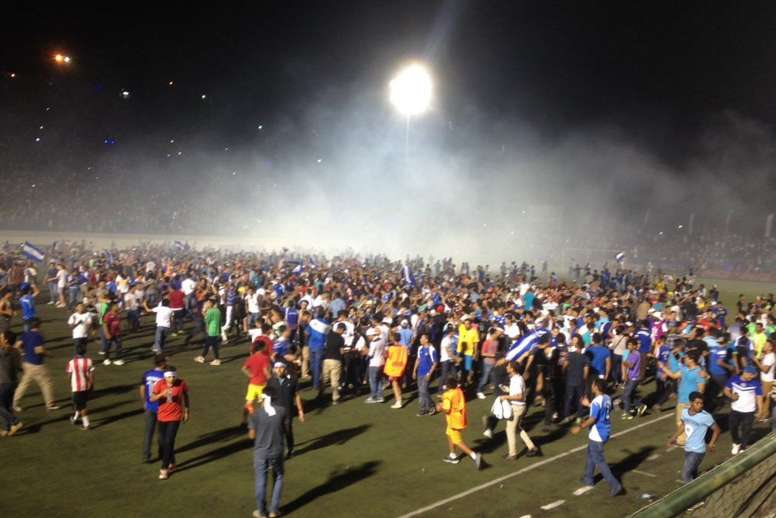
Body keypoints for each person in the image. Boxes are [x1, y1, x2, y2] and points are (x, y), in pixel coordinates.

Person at [571, 378, 623, 496]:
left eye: (593, 384)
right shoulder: (607, 398)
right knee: (590, 454)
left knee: (599, 461)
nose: (591, 386)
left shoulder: (596, 402)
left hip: (597, 434)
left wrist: (580, 427)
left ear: (597, 387)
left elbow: (593, 419)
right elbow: (602, 410)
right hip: (605, 431)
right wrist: (588, 404)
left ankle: (615, 485)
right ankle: (588, 478)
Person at [248, 381, 287, 518]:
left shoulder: (256, 414)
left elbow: (252, 435)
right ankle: (273, 510)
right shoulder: (282, 411)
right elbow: (284, 429)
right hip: (277, 450)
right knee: (279, 476)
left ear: (263, 398)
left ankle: (261, 511)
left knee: (261, 481)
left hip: (260, 452)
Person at [668, 391, 720, 483]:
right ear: (691, 402)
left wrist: (712, 443)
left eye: (701, 403)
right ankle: (697, 485)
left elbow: (717, 430)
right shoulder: (684, 412)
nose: (700, 405)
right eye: (697, 403)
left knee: (685, 474)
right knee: (693, 471)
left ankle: (692, 494)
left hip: (698, 450)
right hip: (688, 447)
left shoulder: (706, 416)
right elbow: (683, 425)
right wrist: (674, 437)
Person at [150, 368, 190, 480]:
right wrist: (162, 394)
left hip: (175, 416)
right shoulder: (159, 384)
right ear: (165, 377)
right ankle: (173, 462)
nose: (171, 379)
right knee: (163, 442)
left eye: (173, 377)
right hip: (162, 416)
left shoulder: (181, 383)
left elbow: (186, 396)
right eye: (169, 377)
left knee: (169, 440)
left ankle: (164, 468)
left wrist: (186, 411)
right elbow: (152, 398)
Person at [436, 374, 482, 469]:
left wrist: (440, 407)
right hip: (460, 418)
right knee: (449, 434)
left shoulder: (447, 395)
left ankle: (474, 456)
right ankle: (453, 455)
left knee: (457, 441)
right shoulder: (459, 391)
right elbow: (453, 399)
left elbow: (447, 409)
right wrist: (442, 398)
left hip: (454, 421)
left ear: (448, 386)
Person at [12, 318, 59, 411]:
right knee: (46, 383)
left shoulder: (25, 334)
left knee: (23, 384)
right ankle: (50, 404)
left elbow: (17, 345)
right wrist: (49, 354)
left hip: (26, 363)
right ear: (38, 325)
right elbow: (39, 350)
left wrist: (22, 352)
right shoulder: (38, 336)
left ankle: (14, 403)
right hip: (37, 365)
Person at [501, 361, 540, 459]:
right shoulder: (517, 378)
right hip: (520, 407)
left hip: (517, 407)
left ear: (512, 369)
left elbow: (519, 396)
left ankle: (512, 453)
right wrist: (507, 390)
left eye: (508, 367)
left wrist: (506, 397)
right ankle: (532, 447)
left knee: (510, 429)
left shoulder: (516, 380)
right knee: (518, 428)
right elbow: (517, 392)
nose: (506, 368)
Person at [724, 366, 763, 454]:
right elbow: (726, 390)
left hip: (749, 411)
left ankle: (743, 447)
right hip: (735, 409)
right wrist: (731, 396)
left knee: (746, 429)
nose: (752, 377)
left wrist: (760, 410)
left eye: (753, 375)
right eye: (751, 375)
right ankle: (736, 442)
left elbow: (759, 397)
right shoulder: (733, 379)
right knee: (733, 427)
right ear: (745, 373)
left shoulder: (756, 383)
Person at [269, 361, 304, 458]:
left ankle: (290, 448)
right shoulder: (271, 381)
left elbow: (297, 396)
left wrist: (300, 411)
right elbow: (267, 397)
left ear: (285, 369)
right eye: (276, 368)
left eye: (281, 368)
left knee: (287, 431)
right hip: (275, 411)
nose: (278, 370)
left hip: (287, 411)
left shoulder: (292, 381)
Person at [140, 354, 167, 463]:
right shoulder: (165, 376)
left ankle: (146, 456)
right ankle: (162, 453)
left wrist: (145, 402)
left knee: (148, 433)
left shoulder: (147, 374)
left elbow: (142, 389)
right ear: (162, 363)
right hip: (161, 408)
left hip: (150, 407)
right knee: (161, 433)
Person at [66, 345, 95, 431]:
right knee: (80, 404)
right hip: (86, 386)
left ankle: (87, 424)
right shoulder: (89, 361)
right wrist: (91, 384)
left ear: (76, 352)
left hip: (76, 387)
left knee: (81, 406)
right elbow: (92, 373)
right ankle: (74, 419)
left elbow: (69, 375)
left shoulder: (71, 362)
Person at [0, 330, 23, 436]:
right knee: (6, 405)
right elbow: (19, 367)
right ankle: (6, 428)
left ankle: (15, 422)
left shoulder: (3, 351)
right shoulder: (15, 351)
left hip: (4, 382)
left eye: (1, 337)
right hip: (13, 381)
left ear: (6, 340)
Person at [243, 339, 272, 414]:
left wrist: (251, 375)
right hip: (262, 384)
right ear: (262, 348)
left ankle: (247, 416)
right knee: (265, 401)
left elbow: (244, 368)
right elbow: (265, 370)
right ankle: (262, 416)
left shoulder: (251, 357)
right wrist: (270, 379)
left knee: (249, 401)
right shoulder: (265, 358)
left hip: (252, 383)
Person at [621, 338, 647, 419]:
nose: (629, 346)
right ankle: (640, 405)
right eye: (628, 345)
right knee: (630, 394)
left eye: (630, 345)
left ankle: (627, 412)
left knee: (626, 395)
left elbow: (630, 365)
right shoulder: (631, 354)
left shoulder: (635, 355)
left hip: (634, 378)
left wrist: (624, 362)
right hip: (631, 377)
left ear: (635, 346)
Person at [320, 322, 345, 405]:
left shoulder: (329, 335)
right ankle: (335, 398)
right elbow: (341, 352)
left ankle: (321, 393)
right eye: (343, 330)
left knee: (324, 378)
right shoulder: (341, 339)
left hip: (326, 359)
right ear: (341, 329)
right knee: (335, 380)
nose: (343, 332)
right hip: (336, 360)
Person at [413, 333, 438, 416]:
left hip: (427, 373)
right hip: (420, 373)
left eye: (422, 338)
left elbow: (435, 363)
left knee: (423, 390)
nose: (420, 339)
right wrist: (414, 370)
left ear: (426, 340)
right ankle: (424, 408)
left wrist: (429, 374)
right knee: (421, 392)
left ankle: (430, 407)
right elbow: (418, 359)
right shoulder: (420, 348)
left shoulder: (431, 349)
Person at [384, 332, 409, 409]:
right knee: (399, 384)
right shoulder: (404, 347)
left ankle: (398, 401)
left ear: (393, 339)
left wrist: (386, 351)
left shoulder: (391, 348)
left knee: (395, 385)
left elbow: (387, 356)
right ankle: (399, 399)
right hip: (401, 368)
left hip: (393, 369)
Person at [194, 299, 222, 366]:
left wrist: (203, 313)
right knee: (209, 344)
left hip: (212, 330)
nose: (207, 304)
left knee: (213, 346)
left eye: (208, 303)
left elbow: (207, 320)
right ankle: (202, 357)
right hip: (217, 329)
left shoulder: (210, 311)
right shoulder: (217, 310)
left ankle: (216, 359)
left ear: (211, 304)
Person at [101, 302, 125, 366]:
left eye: (117, 305)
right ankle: (106, 359)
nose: (117, 307)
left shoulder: (118, 314)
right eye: (116, 306)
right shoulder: (108, 315)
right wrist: (107, 334)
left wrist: (121, 329)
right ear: (112, 307)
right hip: (110, 333)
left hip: (117, 333)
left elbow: (119, 323)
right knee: (108, 346)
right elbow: (105, 324)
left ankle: (118, 359)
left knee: (119, 346)